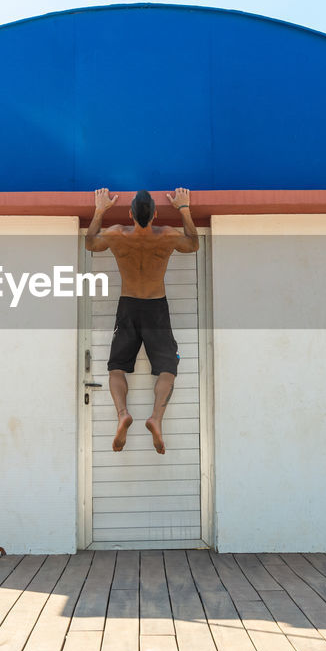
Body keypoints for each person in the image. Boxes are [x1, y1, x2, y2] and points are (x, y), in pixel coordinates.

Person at [85, 187, 198, 454]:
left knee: (116, 368)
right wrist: (184, 208)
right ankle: (156, 419)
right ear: (156, 214)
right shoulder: (167, 235)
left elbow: (90, 243)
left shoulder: (117, 234)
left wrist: (100, 209)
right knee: (168, 368)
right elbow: (193, 244)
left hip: (129, 306)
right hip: (156, 307)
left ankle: (122, 413)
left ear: (129, 213)